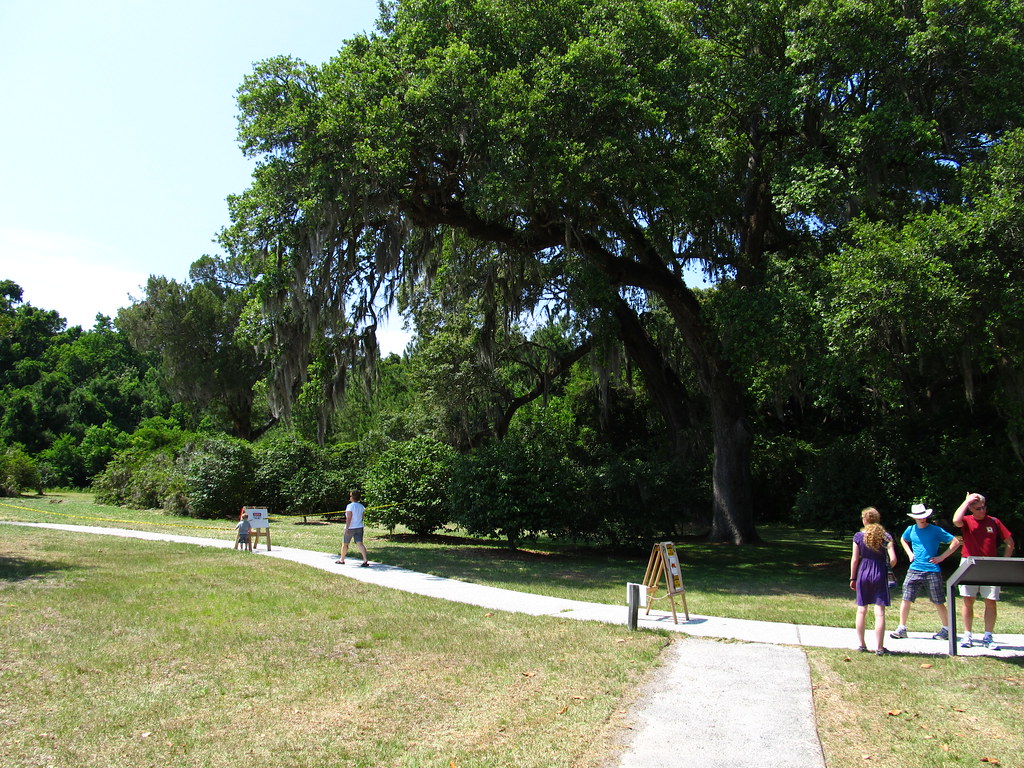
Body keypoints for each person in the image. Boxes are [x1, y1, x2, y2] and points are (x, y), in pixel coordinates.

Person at [888, 503, 960, 641]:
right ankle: (901, 628)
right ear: (914, 518)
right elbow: (903, 539)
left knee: (938, 600)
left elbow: (955, 542)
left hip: (932, 570)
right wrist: (909, 553)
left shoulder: (936, 530)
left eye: (924, 516)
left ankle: (946, 629)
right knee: (906, 598)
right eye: (919, 517)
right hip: (914, 569)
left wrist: (942, 557)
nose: (922, 519)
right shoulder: (911, 529)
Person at [952, 492, 1015, 648]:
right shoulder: (966, 520)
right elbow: (956, 520)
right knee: (968, 600)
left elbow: (1010, 543)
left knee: (991, 601)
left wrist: (1004, 563)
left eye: (984, 507)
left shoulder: (994, 521)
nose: (982, 510)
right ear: (971, 509)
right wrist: (966, 501)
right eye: (978, 508)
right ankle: (967, 636)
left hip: (990, 565)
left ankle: (988, 636)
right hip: (969, 563)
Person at [850, 507, 898, 655]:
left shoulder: (858, 536)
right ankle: (879, 647)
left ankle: (862, 645)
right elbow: (894, 559)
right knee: (880, 612)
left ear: (864, 520)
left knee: (861, 610)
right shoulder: (886, 537)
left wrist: (853, 577)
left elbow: (855, 559)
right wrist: (888, 567)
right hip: (879, 572)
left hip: (863, 571)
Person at [335, 489, 370, 567]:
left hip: (351, 527)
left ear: (353, 497)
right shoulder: (361, 506)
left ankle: (342, 559)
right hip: (359, 526)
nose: (349, 497)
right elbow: (362, 516)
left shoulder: (350, 506)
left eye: (350, 496)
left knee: (345, 544)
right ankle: (365, 559)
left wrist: (347, 528)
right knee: (360, 543)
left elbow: (349, 518)